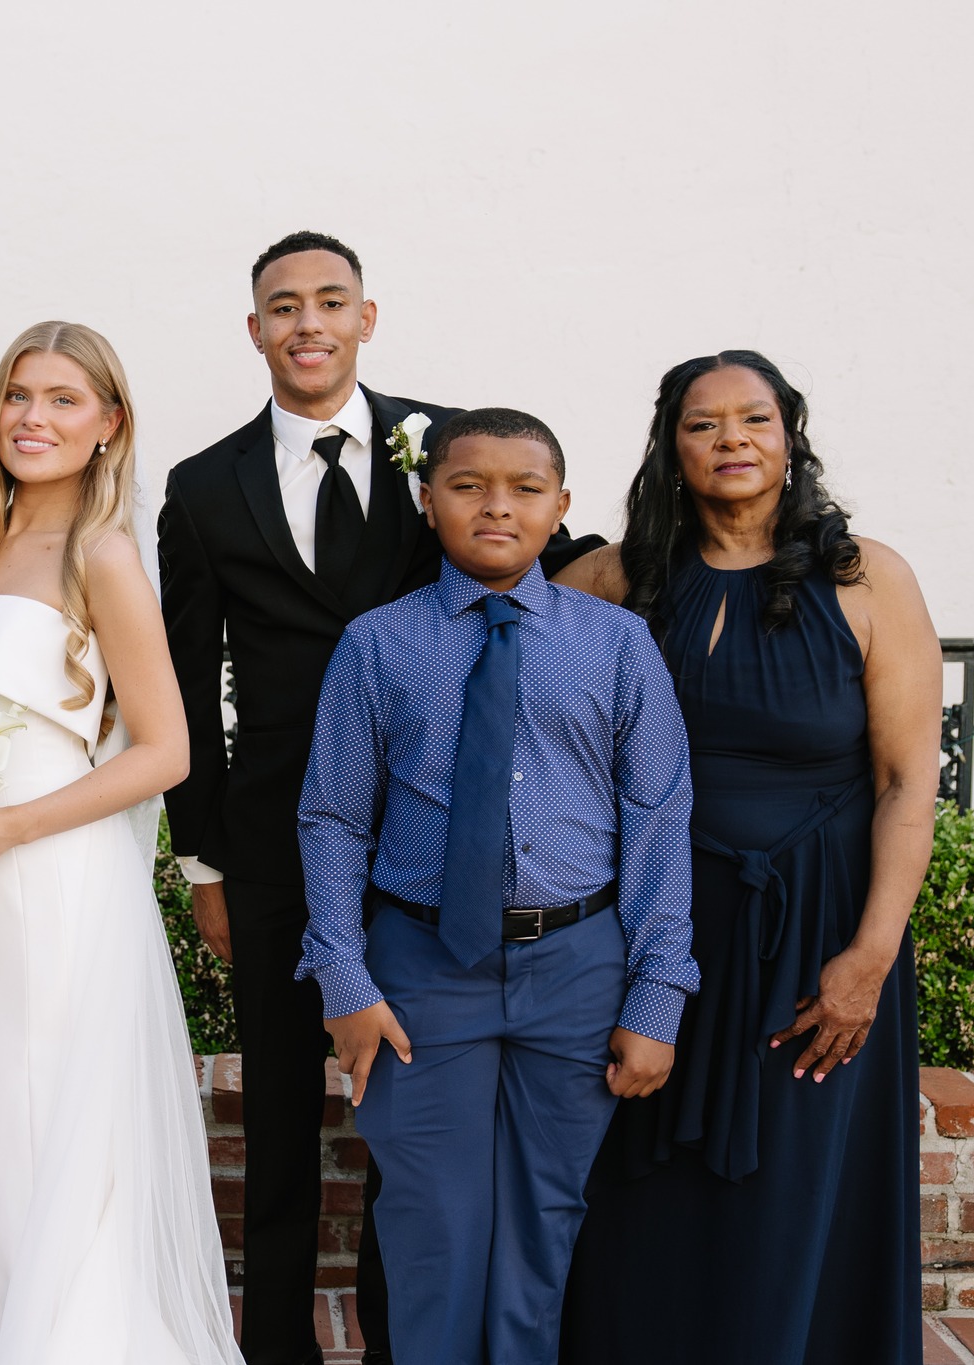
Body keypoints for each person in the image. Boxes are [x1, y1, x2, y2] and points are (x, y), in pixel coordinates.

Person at [157, 231, 600, 1365]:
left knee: (414, 1116)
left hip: (431, 841)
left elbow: (549, 557)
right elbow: (183, 680)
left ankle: (404, 1342)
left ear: (366, 318)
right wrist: (202, 859)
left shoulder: (452, 450)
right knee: (278, 1109)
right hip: (274, 836)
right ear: (254, 328)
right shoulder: (201, 487)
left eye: (329, 301)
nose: (306, 322)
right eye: (282, 306)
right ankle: (276, 1344)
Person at [557, 351, 937, 1365]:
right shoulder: (612, 580)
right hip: (654, 928)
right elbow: (505, 676)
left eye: (753, 419)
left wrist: (868, 960)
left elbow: (906, 782)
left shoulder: (867, 578)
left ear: (788, 437)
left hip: (815, 934)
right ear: (669, 448)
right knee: (640, 1178)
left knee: (793, 1183)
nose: (730, 439)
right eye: (702, 424)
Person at [298, 408, 699, 1365]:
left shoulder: (618, 644)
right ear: (428, 499)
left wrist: (658, 993)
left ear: (561, 506)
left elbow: (658, 817)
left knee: (543, 1223)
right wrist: (345, 980)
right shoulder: (377, 644)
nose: (497, 506)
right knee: (430, 1222)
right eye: (469, 485)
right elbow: (334, 819)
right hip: (422, 968)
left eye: (525, 488)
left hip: (577, 966)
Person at [0, 320, 240, 1365]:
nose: (32, 419)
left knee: (45, 1124)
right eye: (17, 395)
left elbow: (165, 751)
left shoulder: (103, 555)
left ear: (108, 424)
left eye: (62, 400)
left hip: (49, 878)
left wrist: (5, 827)